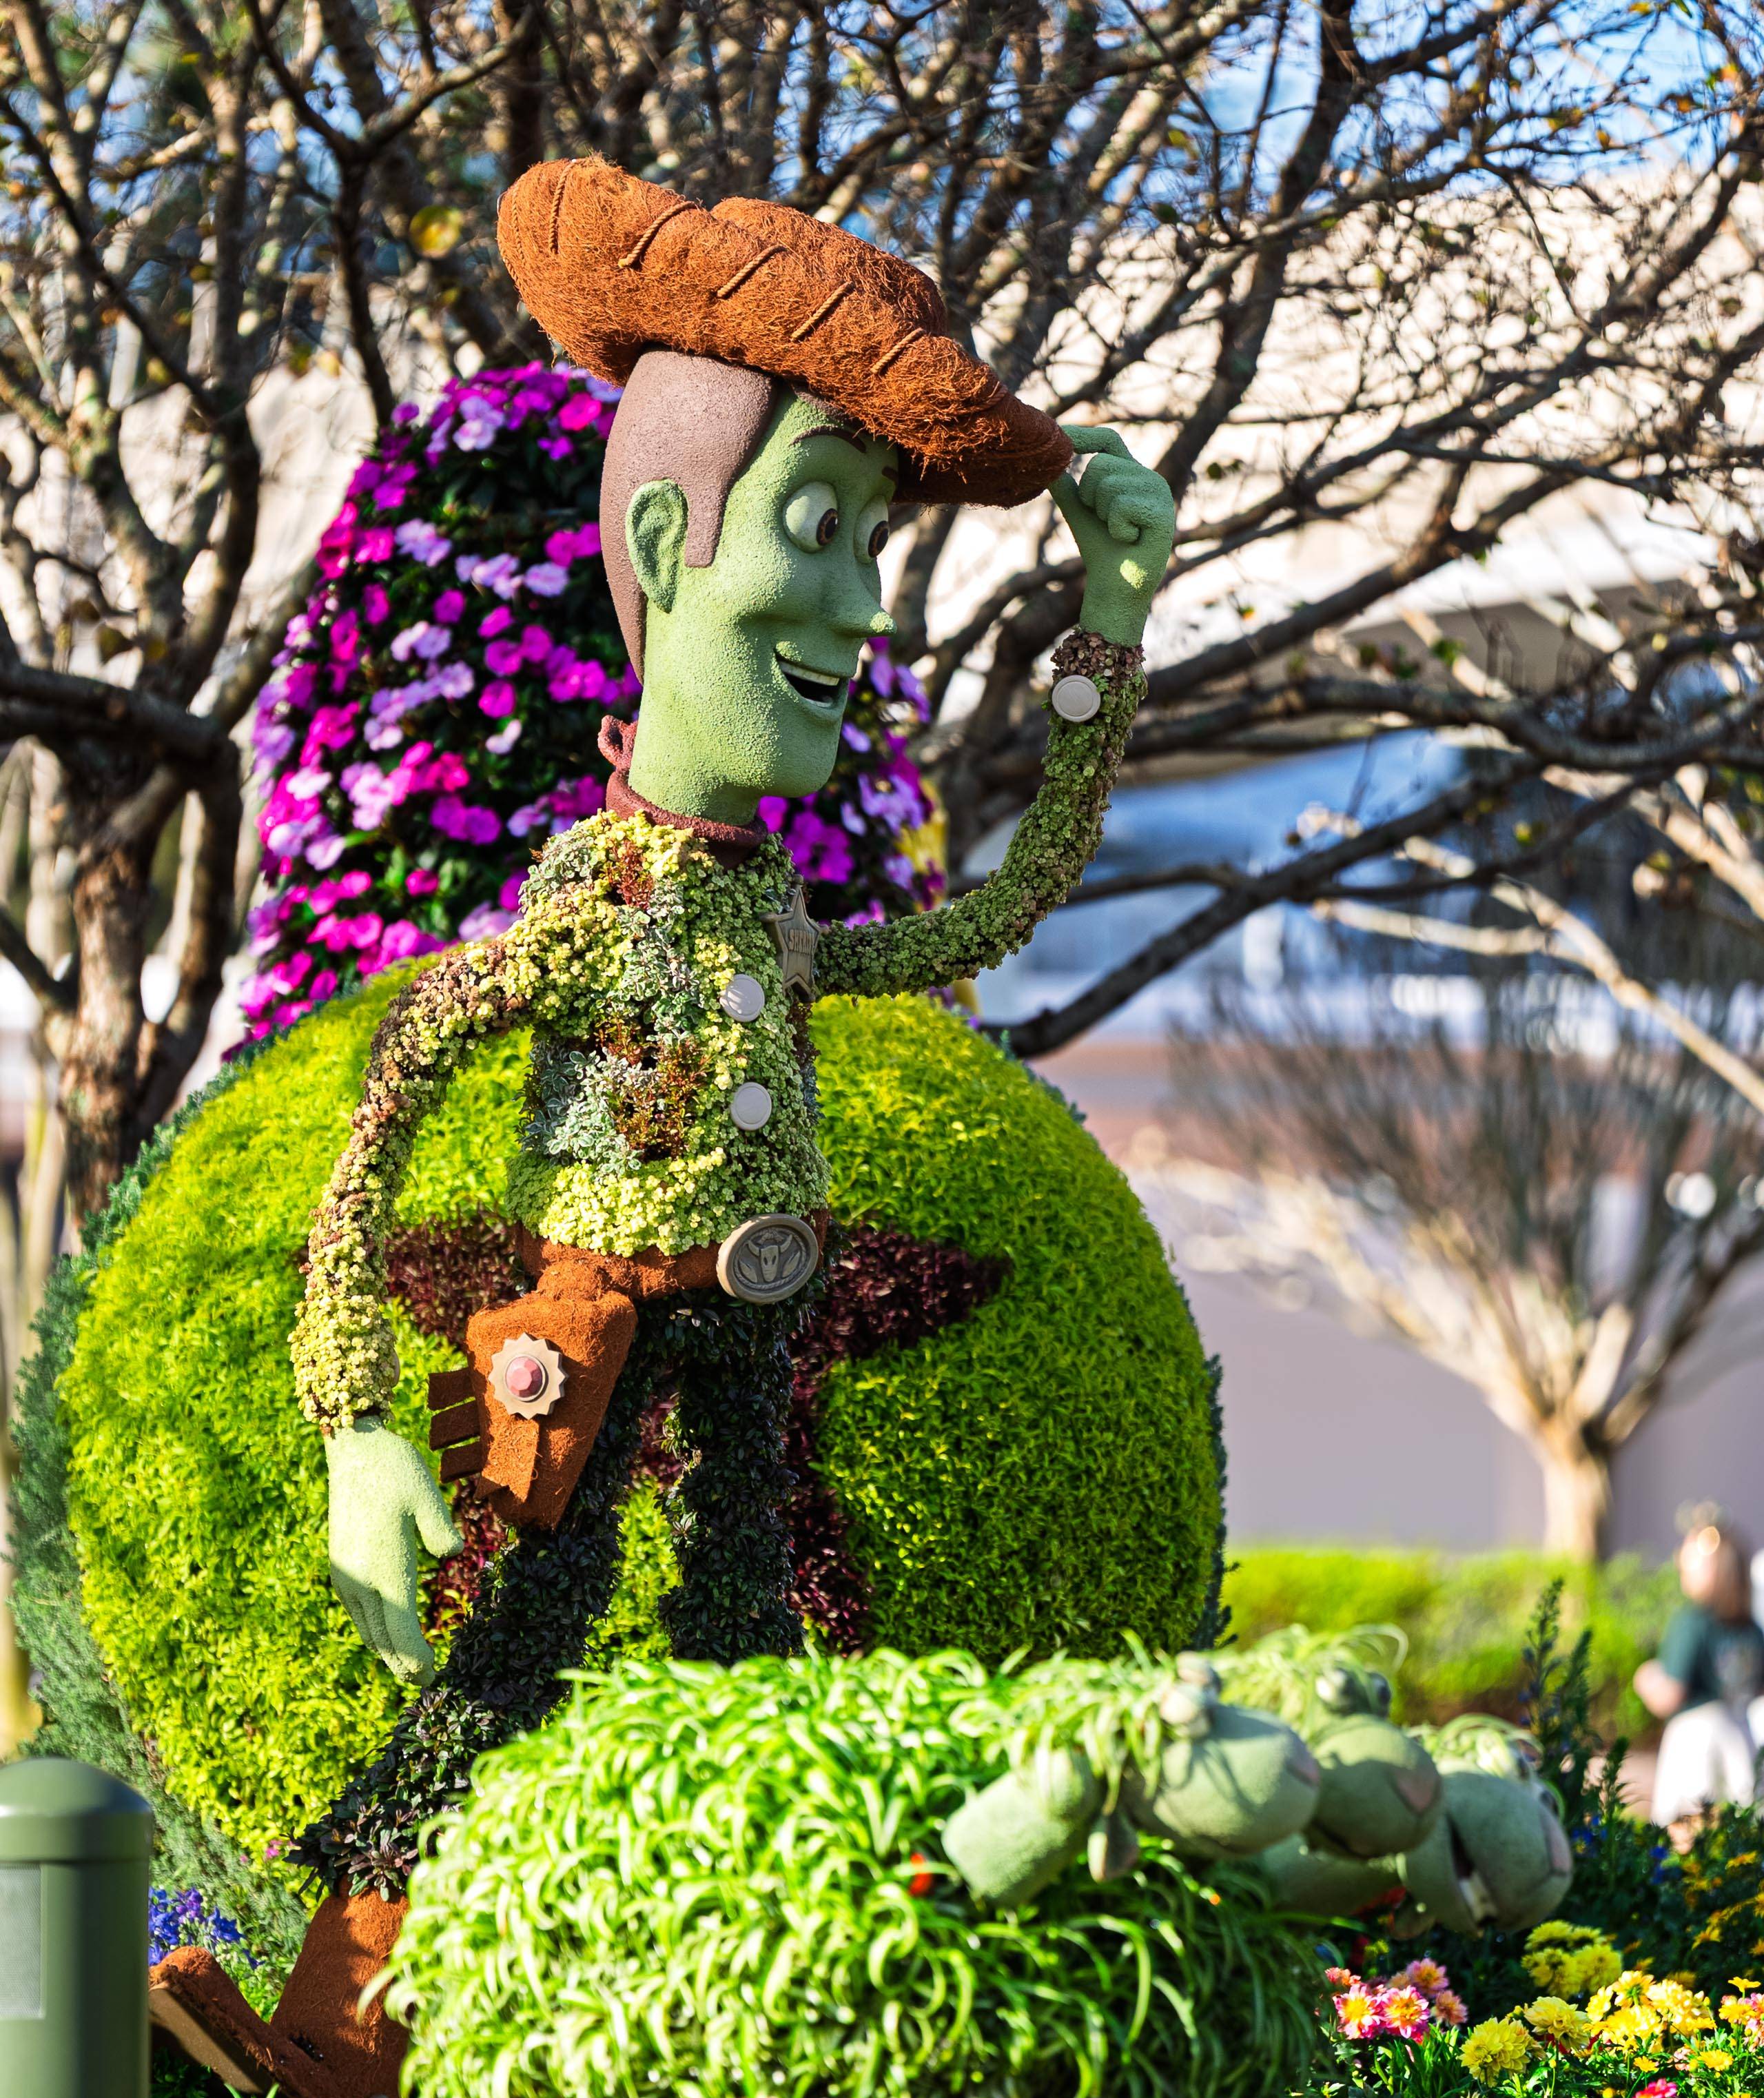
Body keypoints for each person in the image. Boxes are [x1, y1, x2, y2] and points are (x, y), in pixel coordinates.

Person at [288, 155, 1178, 1895]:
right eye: (818, 528)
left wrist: (1113, 619)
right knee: (505, 1656)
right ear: (658, 545)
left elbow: (1002, 907)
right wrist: (355, 1420)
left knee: (753, 1666)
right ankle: (350, 2009)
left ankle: (737, 1979)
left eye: (870, 546)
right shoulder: (582, 910)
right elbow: (385, 1109)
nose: (858, 607)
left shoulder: (766, 910)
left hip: (749, 1347)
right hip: (584, 1330)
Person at [1636, 1508, 1764, 1831]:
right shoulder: (1750, 1628)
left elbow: (1670, 1695)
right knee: (1738, 1831)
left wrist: (1647, 1679)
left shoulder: (1691, 1622)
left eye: (1690, 1560)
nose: (1681, 1564)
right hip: (1741, 1737)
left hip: (1696, 1739)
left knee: (1689, 1830)